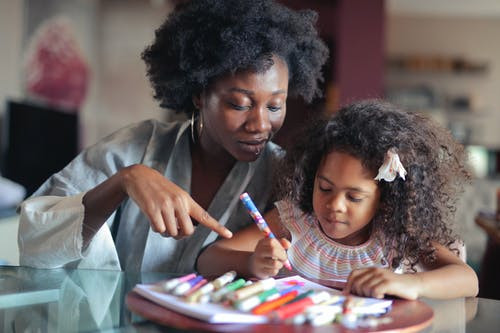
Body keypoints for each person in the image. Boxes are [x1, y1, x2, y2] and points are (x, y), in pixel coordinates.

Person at [17, 0, 328, 272]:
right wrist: (124, 181)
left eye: (275, 105)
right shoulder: (136, 148)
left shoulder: (286, 177)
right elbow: (35, 240)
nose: (260, 124)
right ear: (198, 94)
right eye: (239, 104)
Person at [197, 100, 479, 299]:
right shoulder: (296, 221)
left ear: (384, 199)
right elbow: (208, 260)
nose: (335, 205)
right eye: (325, 188)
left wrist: (412, 284)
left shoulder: (397, 235)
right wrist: (252, 264)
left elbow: (468, 280)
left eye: (354, 197)